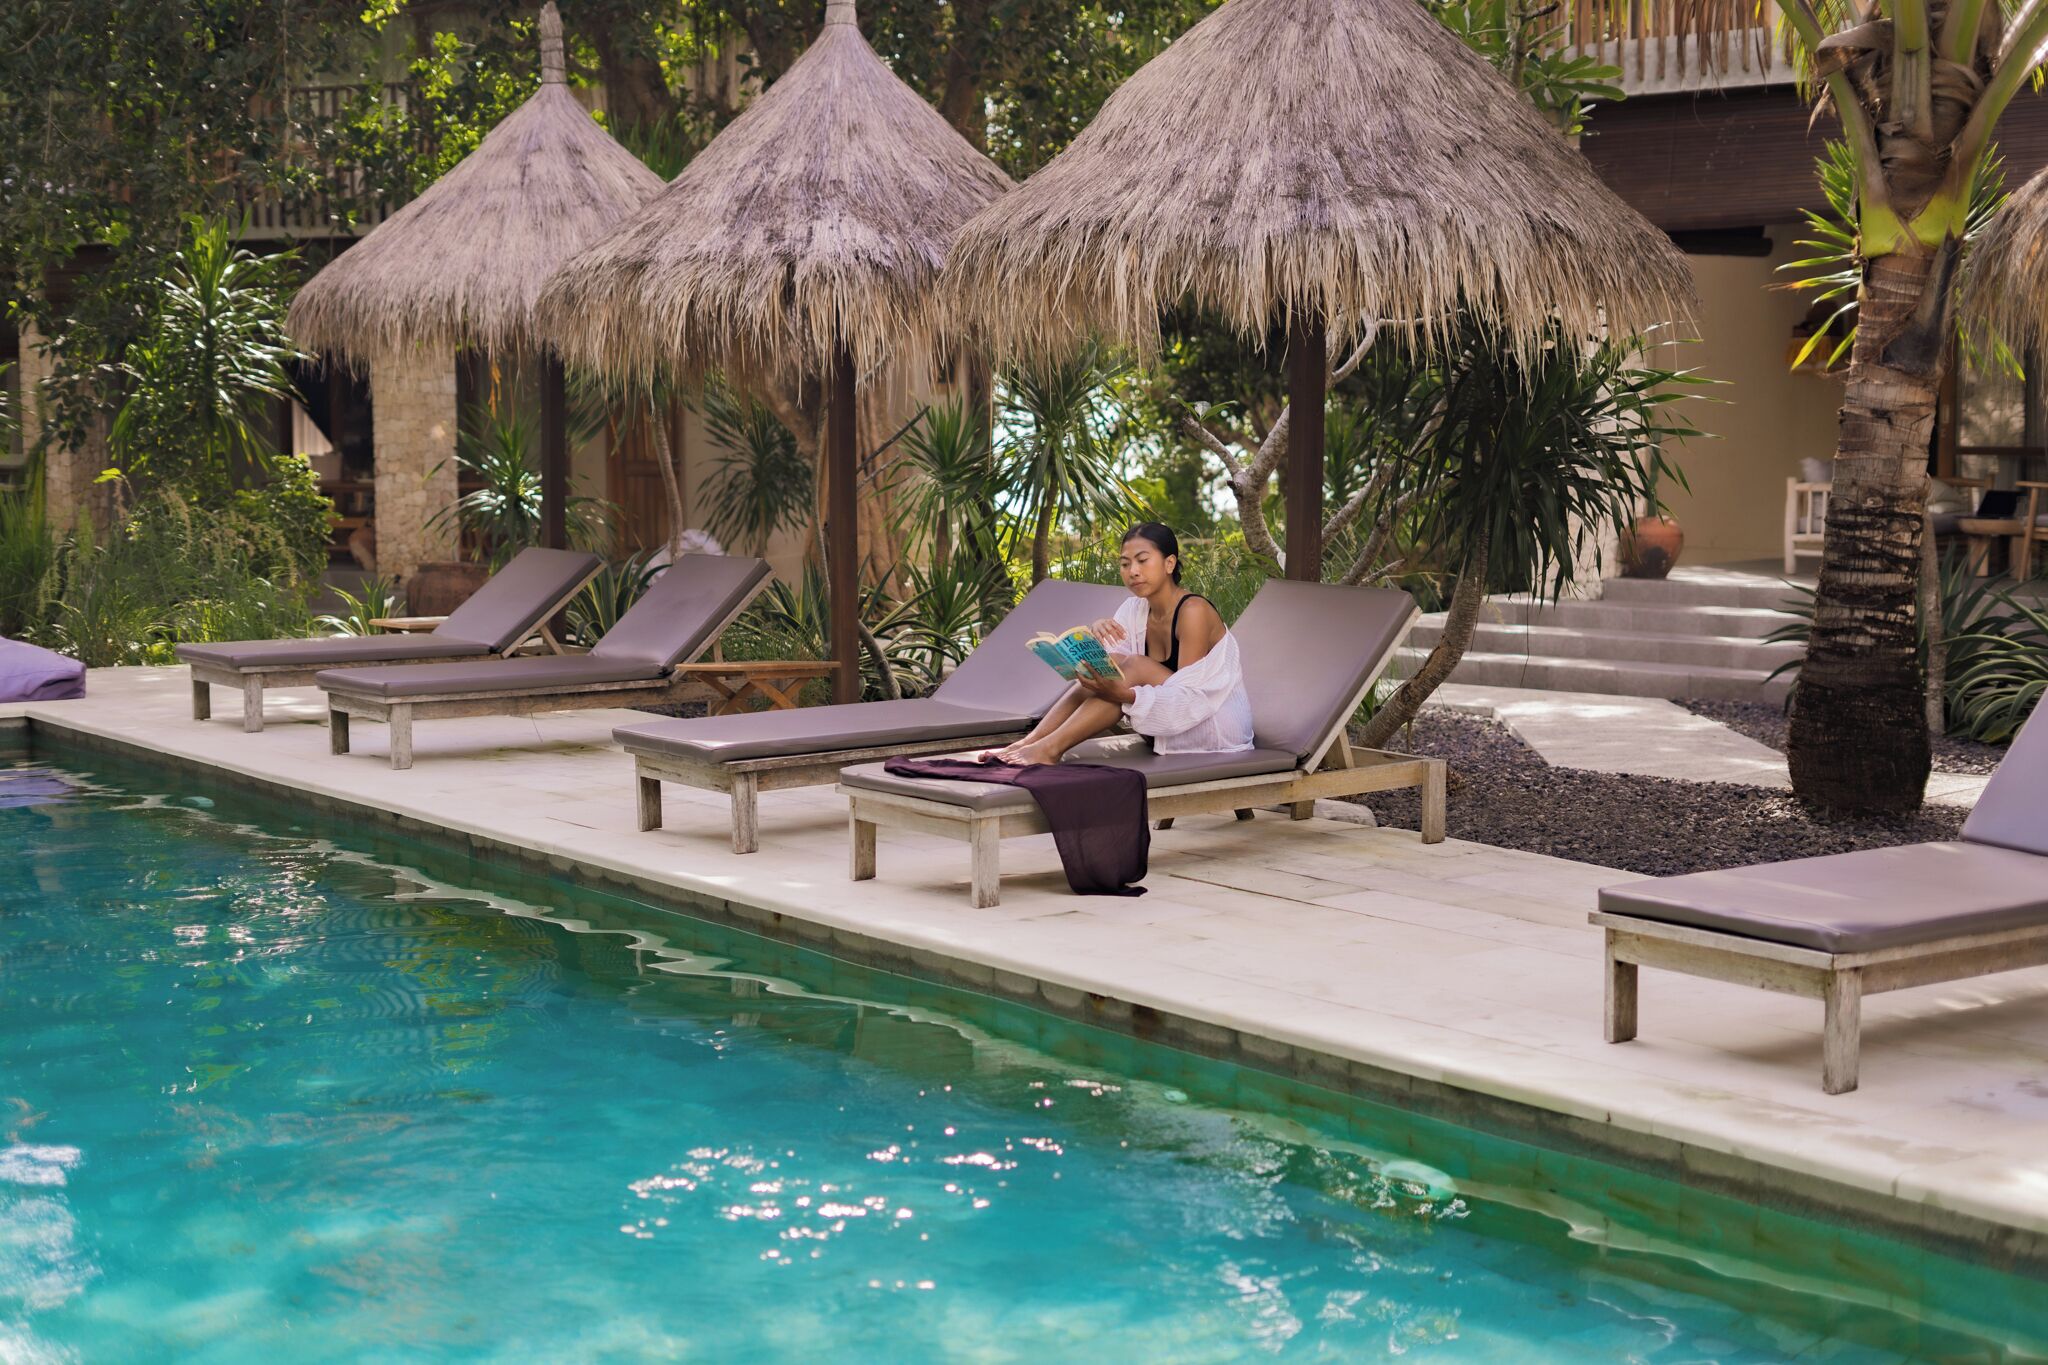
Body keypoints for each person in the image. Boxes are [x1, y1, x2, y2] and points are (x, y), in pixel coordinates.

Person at [992, 522, 1253, 766]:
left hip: (1212, 726)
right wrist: (1096, 636)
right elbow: (1114, 667)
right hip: (1163, 721)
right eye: (1125, 564)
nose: (1133, 571)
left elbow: (1192, 698)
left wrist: (1127, 696)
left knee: (1134, 667)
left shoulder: (1194, 611)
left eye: (1142, 561)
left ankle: (1049, 749)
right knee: (1113, 664)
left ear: (1169, 563)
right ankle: (1032, 742)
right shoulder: (1134, 608)